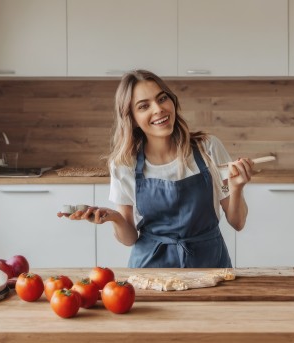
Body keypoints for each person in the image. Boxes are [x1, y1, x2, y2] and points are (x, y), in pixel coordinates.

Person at [60, 70, 254, 268]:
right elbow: (129, 239)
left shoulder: (208, 148)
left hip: (210, 266)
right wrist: (115, 218)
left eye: (162, 98)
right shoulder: (124, 164)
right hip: (151, 270)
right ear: (132, 118)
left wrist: (236, 187)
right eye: (144, 106)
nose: (158, 109)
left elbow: (237, 222)